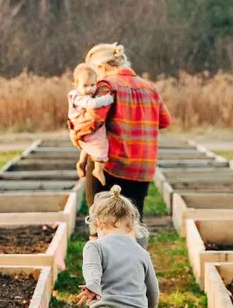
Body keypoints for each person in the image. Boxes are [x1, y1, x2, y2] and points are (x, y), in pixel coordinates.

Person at [71, 43, 171, 223]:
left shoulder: (106, 86)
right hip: (142, 168)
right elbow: (164, 121)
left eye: (94, 72)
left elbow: (93, 122)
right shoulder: (150, 87)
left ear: (102, 67)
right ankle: (136, 252)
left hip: (112, 166)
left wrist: (75, 133)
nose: (94, 80)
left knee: (99, 223)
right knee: (133, 224)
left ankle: (102, 252)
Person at [67, 63, 113, 186]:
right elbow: (92, 104)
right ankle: (98, 169)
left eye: (92, 85)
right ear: (76, 85)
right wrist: (107, 99)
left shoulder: (81, 94)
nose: (89, 89)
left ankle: (82, 162)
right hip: (81, 123)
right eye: (85, 86)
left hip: (82, 125)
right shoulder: (78, 97)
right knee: (101, 144)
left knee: (88, 145)